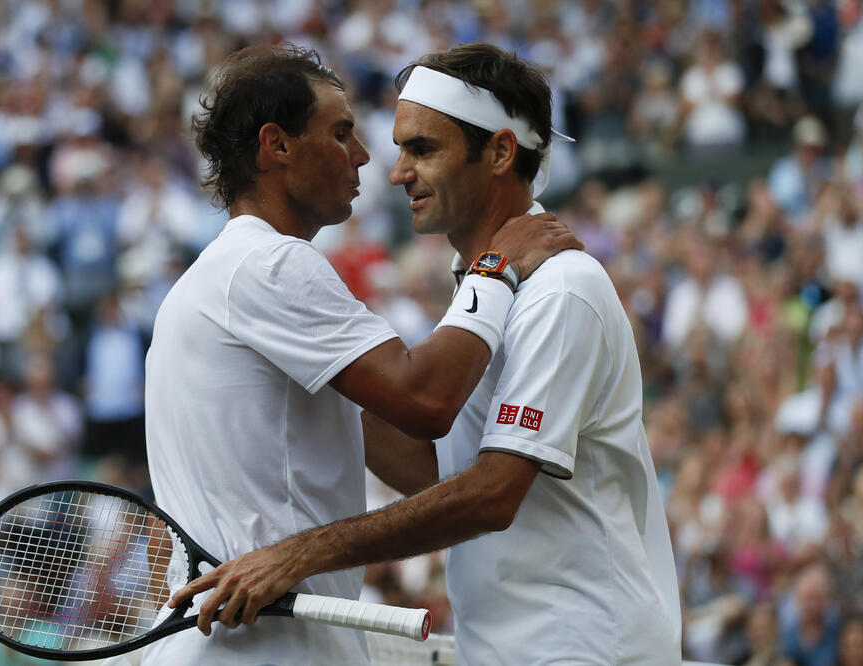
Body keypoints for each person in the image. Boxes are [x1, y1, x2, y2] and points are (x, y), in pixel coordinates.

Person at [170, 43, 682, 665]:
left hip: (586, 646)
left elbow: (490, 492)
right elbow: (435, 471)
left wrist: (300, 552)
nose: (392, 170)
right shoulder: (482, 288)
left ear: (499, 152)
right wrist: (317, 374)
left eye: (422, 149)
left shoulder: (560, 288)